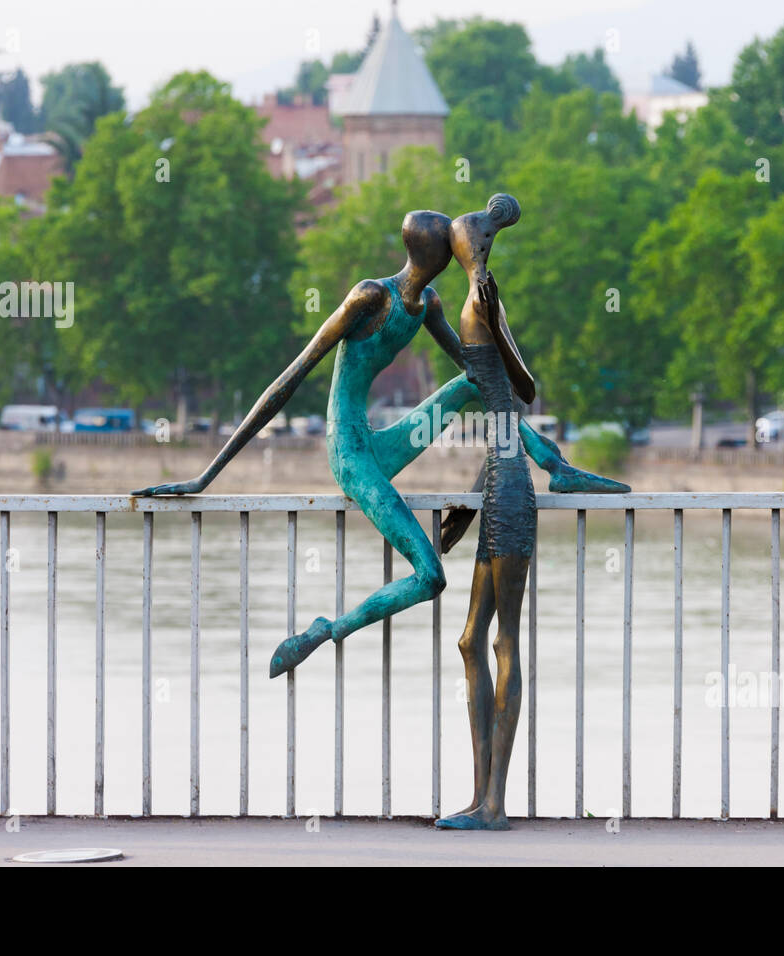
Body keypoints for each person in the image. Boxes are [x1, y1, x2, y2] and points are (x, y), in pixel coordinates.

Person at [132, 207, 628, 677]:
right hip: (349, 453)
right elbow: (290, 378)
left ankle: (555, 466)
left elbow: (477, 371)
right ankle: (327, 630)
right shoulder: (370, 296)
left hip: (383, 443)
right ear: (435, 256)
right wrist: (205, 476)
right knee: (430, 577)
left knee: (477, 386)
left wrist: (499, 347)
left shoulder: (428, 303)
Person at [436, 194, 534, 831]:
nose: (479, 257)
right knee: (472, 638)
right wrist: (465, 511)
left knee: (502, 641)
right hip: (496, 482)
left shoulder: (485, 306)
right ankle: (478, 797)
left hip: (511, 493)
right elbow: (507, 401)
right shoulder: (475, 308)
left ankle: (494, 805)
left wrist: (495, 321)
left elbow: (522, 393)